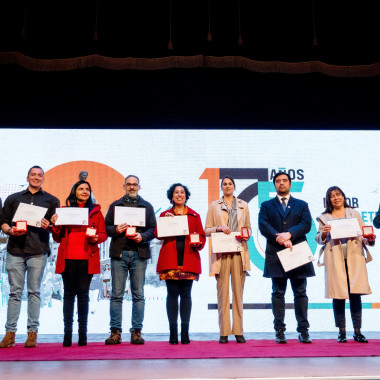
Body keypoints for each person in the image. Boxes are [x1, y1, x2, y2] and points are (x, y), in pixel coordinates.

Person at [0, 166, 59, 348]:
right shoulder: (13, 198)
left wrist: (49, 225)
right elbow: (3, 222)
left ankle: (32, 333)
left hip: (38, 250)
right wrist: (10, 230)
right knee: (14, 293)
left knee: (34, 292)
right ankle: (10, 334)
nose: (36, 177)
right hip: (15, 249)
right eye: (33, 174)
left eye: (39, 175)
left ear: (43, 179)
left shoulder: (51, 200)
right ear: (27, 177)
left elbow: (55, 228)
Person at [258, 172, 314, 344]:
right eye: (278, 181)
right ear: (274, 185)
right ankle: (280, 330)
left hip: (297, 253)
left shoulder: (302, 204)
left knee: (300, 293)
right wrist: (279, 237)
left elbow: (306, 224)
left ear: (290, 184)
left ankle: (303, 331)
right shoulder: (267, 205)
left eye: (284, 181)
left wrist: (289, 233)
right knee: (278, 293)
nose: (281, 183)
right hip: (276, 253)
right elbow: (263, 225)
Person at [51, 180, 107, 347]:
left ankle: (83, 335)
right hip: (67, 257)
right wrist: (55, 223)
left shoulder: (96, 212)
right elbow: (57, 236)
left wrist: (97, 237)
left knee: (83, 295)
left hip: (87, 257)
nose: (84, 191)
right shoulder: (65, 211)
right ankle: (67, 335)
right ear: (74, 191)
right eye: (81, 189)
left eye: (87, 189)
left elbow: (103, 234)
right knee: (68, 294)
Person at [316, 186, 375, 343]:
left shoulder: (354, 214)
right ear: (328, 200)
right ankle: (341, 332)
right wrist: (323, 233)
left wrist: (370, 239)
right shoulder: (324, 217)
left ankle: (357, 331)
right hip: (335, 258)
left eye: (338, 194)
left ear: (343, 196)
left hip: (354, 257)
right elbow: (317, 238)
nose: (336, 198)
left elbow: (363, 234)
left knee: (355, 294)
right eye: (332, 196)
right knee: (339, 296)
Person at [104, 175, 156, 345]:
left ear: (139, 187)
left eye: (135, 185)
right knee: (116, 295)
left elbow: (153, 229)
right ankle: (115, 331)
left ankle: (136, 331)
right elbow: (106, 228)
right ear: (124, 186)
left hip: (139, 253)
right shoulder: (115, 206)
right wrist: (115, 229)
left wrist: (143, 236)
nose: (132, 187)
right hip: (119, 253)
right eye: (129, 184)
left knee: (138, 295)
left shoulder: (147, 206)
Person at [155, 183, 206, 344]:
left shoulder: (194, 215)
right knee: (171, 295)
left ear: (186, 195)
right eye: (176, 192)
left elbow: (202, 237)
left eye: (182, 192)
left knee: (186, 295)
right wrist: (165, 221)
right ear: (171, 196)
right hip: (170, 261)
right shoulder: (165, 214)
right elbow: (157, 235)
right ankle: (172, 333)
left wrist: (198, 243)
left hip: (188, 259)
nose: (179, 195)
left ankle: (185, 332)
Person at [205, 176, 251, 344]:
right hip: (221, 252)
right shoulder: (214, 206)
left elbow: (248, 228)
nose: (227, 186)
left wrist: (246, 234)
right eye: (224, 184)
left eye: (230, 183)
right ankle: (224, 332)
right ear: (221, 187)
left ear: (234, 186)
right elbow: (206, 230)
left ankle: (238, 331)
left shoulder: (243, 205)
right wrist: (218, 228)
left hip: (239, 251)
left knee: (238, 293)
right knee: (222, 293)